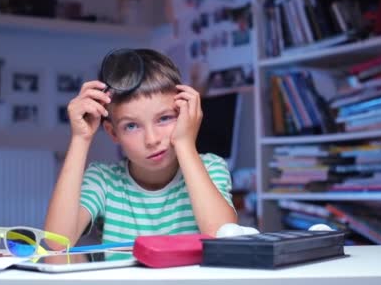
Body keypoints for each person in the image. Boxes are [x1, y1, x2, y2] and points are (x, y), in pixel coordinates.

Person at [44, 48, 237, 247]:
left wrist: (185, 144)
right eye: (132, 126)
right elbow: (57, 243)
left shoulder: (211, 166)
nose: (152, 140)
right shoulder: (104, 180)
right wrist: (80, 138)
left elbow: (223, 235)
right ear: (113, 133)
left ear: (185, 115)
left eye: (164, 118)